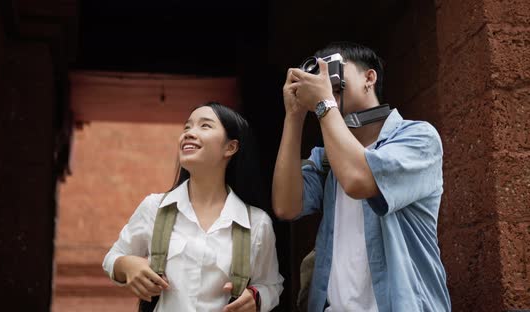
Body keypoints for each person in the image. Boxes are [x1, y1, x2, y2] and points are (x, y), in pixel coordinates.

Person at [272, 42, 451, 311]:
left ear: (369, 77)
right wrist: (294, 115)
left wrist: (323, 103)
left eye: (333, 68)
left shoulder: (418, 138)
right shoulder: (327, 158)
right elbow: (286, 206)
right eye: (318, 73)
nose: (324, 79)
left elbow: (359, 179)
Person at [103, 102, 284, 312]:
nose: (189, 133)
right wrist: (127, 266)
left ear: (230, 147)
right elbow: (112, 258)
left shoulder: (257, 223)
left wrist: (257, 297)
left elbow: (271, 284)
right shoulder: (154, 208)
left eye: (205, 126)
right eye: (187, 127)